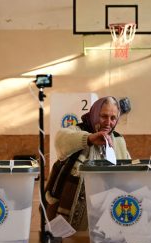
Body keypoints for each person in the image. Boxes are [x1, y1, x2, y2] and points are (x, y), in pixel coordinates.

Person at [45, 96, 130, 230]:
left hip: (107, 211)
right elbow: (61, 139)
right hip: (75, 211)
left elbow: (128, 170)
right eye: (103, 116)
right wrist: (89, 139)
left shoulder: (118, 140)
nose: (108, 122)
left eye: (113, 118)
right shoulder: (78, 131)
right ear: (95, 113)